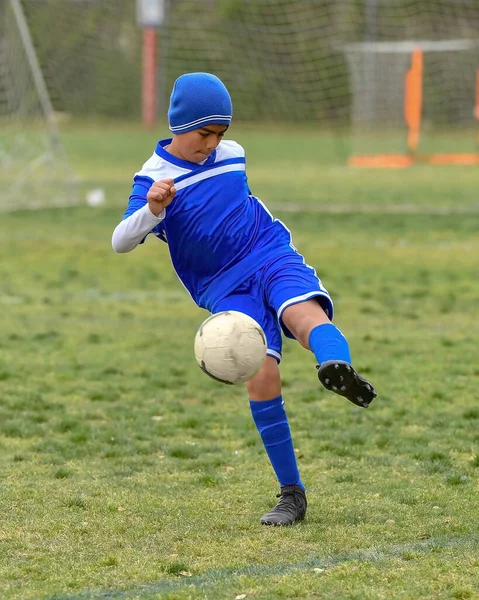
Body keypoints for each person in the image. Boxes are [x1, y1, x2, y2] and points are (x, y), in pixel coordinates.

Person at [112, 72, 377, 527]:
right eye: (204, 133)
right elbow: (120, 240)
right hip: (225, 287)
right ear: (179, 124)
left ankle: (337, 368)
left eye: (220, 133)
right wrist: (153, 210)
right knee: (261, 371)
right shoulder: (154, 178)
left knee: (301, 314)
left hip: (270, 253)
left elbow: (240, 202)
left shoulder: (232, 156)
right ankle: (292, 494)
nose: (213, 142)